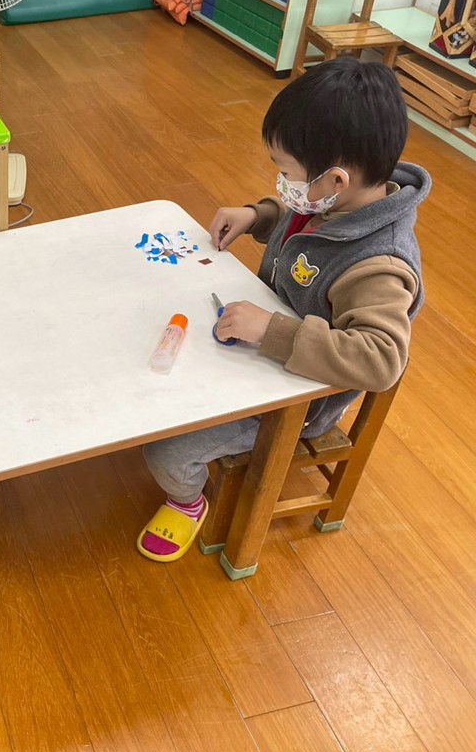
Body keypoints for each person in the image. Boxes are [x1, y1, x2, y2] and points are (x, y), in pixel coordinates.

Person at [137, 56, 430, 562]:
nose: (282, 183)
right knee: (153, 385)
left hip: (297, 402)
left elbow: (381, 360)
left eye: (286, 172)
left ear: (336, 181)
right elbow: (301, 225)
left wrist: (271, 330)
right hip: (261, 350)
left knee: (166, 451)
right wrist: (257, 215)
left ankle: (186, 502)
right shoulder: (333, 201)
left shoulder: (379, 266)